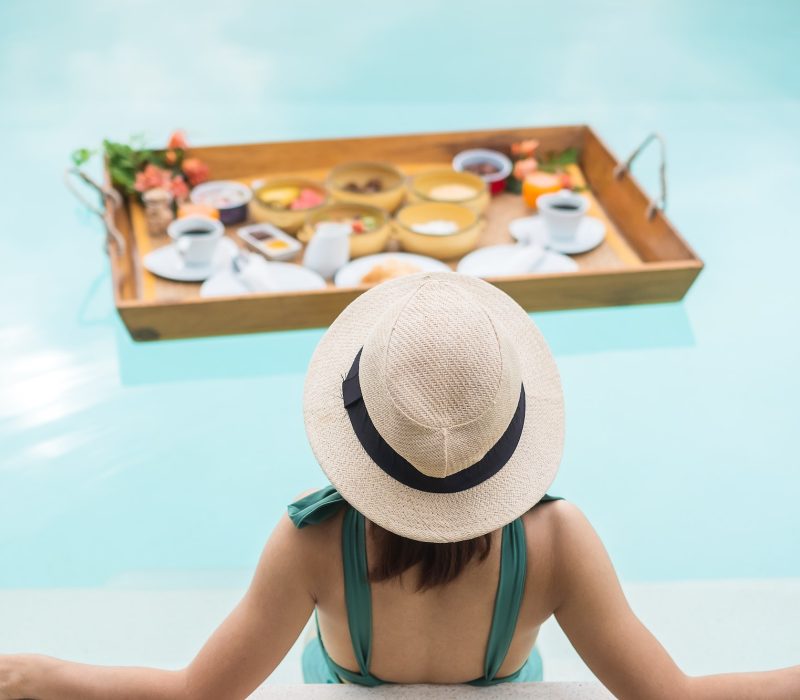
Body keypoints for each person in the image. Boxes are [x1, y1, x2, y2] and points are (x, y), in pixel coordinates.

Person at [1, 272, 798, 700]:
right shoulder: (558, 544)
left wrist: (39, 676)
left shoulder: (311, 542)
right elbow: (673, 699)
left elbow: (197, 695)